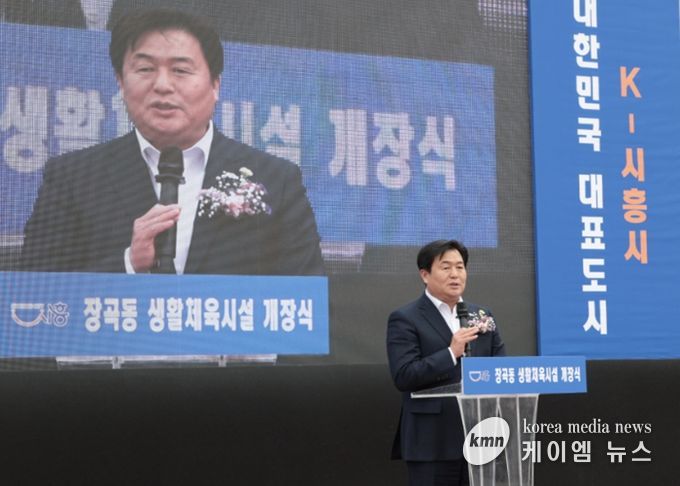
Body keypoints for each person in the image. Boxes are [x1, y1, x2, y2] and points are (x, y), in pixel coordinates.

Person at [19, 8, 324, 276]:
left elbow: (306, 303)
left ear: (215, 85)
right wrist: (128, 264)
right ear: (121, 83)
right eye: (145, 69)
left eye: (180, 70)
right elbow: (34, 297)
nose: (162, 85)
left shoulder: (275, 179)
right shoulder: (72, 178)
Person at [386, 239, 505, 486]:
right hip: (432, 442)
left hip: (480, 439)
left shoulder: (482, 316)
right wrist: (451, 353)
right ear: (425, 275)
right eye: (446, 267)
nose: (455, 274)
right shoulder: (405, 318)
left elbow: (500, 369)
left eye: (460, 267)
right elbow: (404, 375)